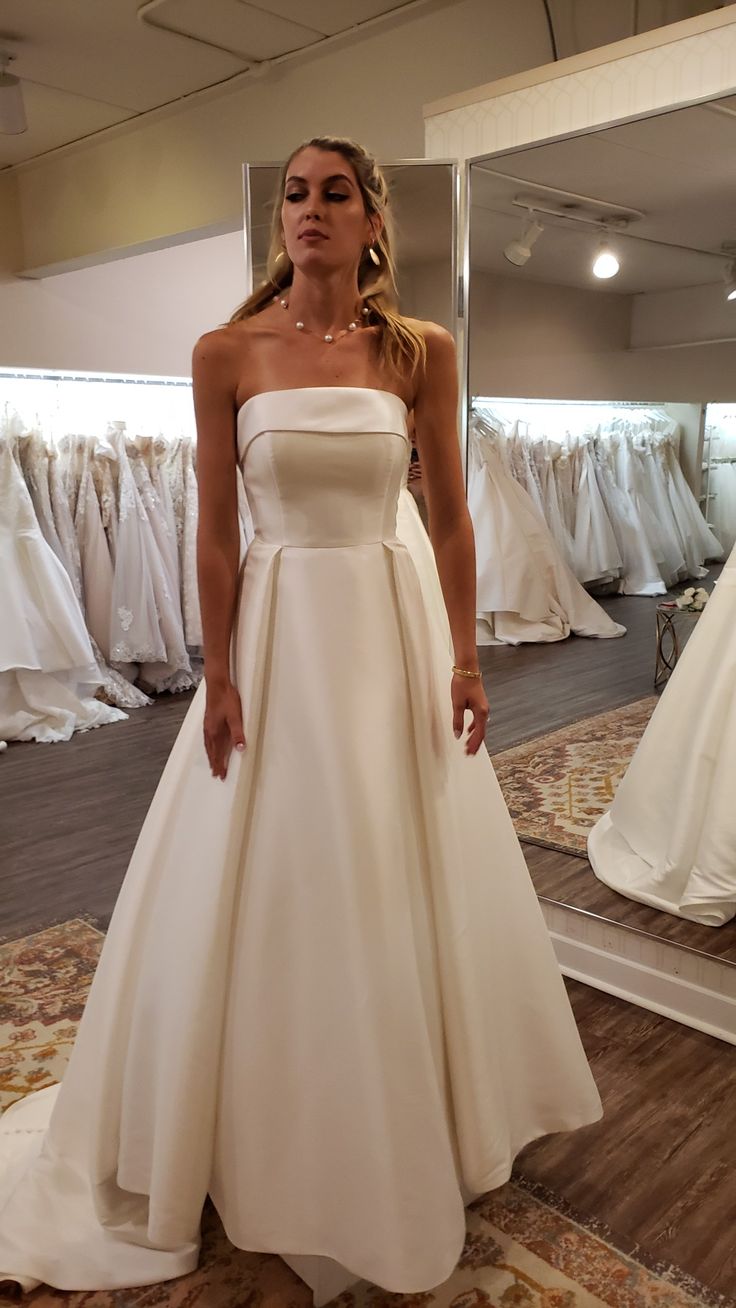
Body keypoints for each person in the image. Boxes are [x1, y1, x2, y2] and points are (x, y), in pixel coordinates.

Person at [0, 137, 601, 1297]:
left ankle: (407, 1113)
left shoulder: (419, 350)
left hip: (389, 627)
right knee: (271, 869)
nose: (310, 211)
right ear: (279, 220)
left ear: (373, 221)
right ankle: (248, 1123)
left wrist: (467, 660)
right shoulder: (226, 351)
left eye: (335, 194)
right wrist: (217, 674)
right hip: (280, 636)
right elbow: (215, 533)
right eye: (294, 194)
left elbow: (452, 523)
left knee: (389, 860)